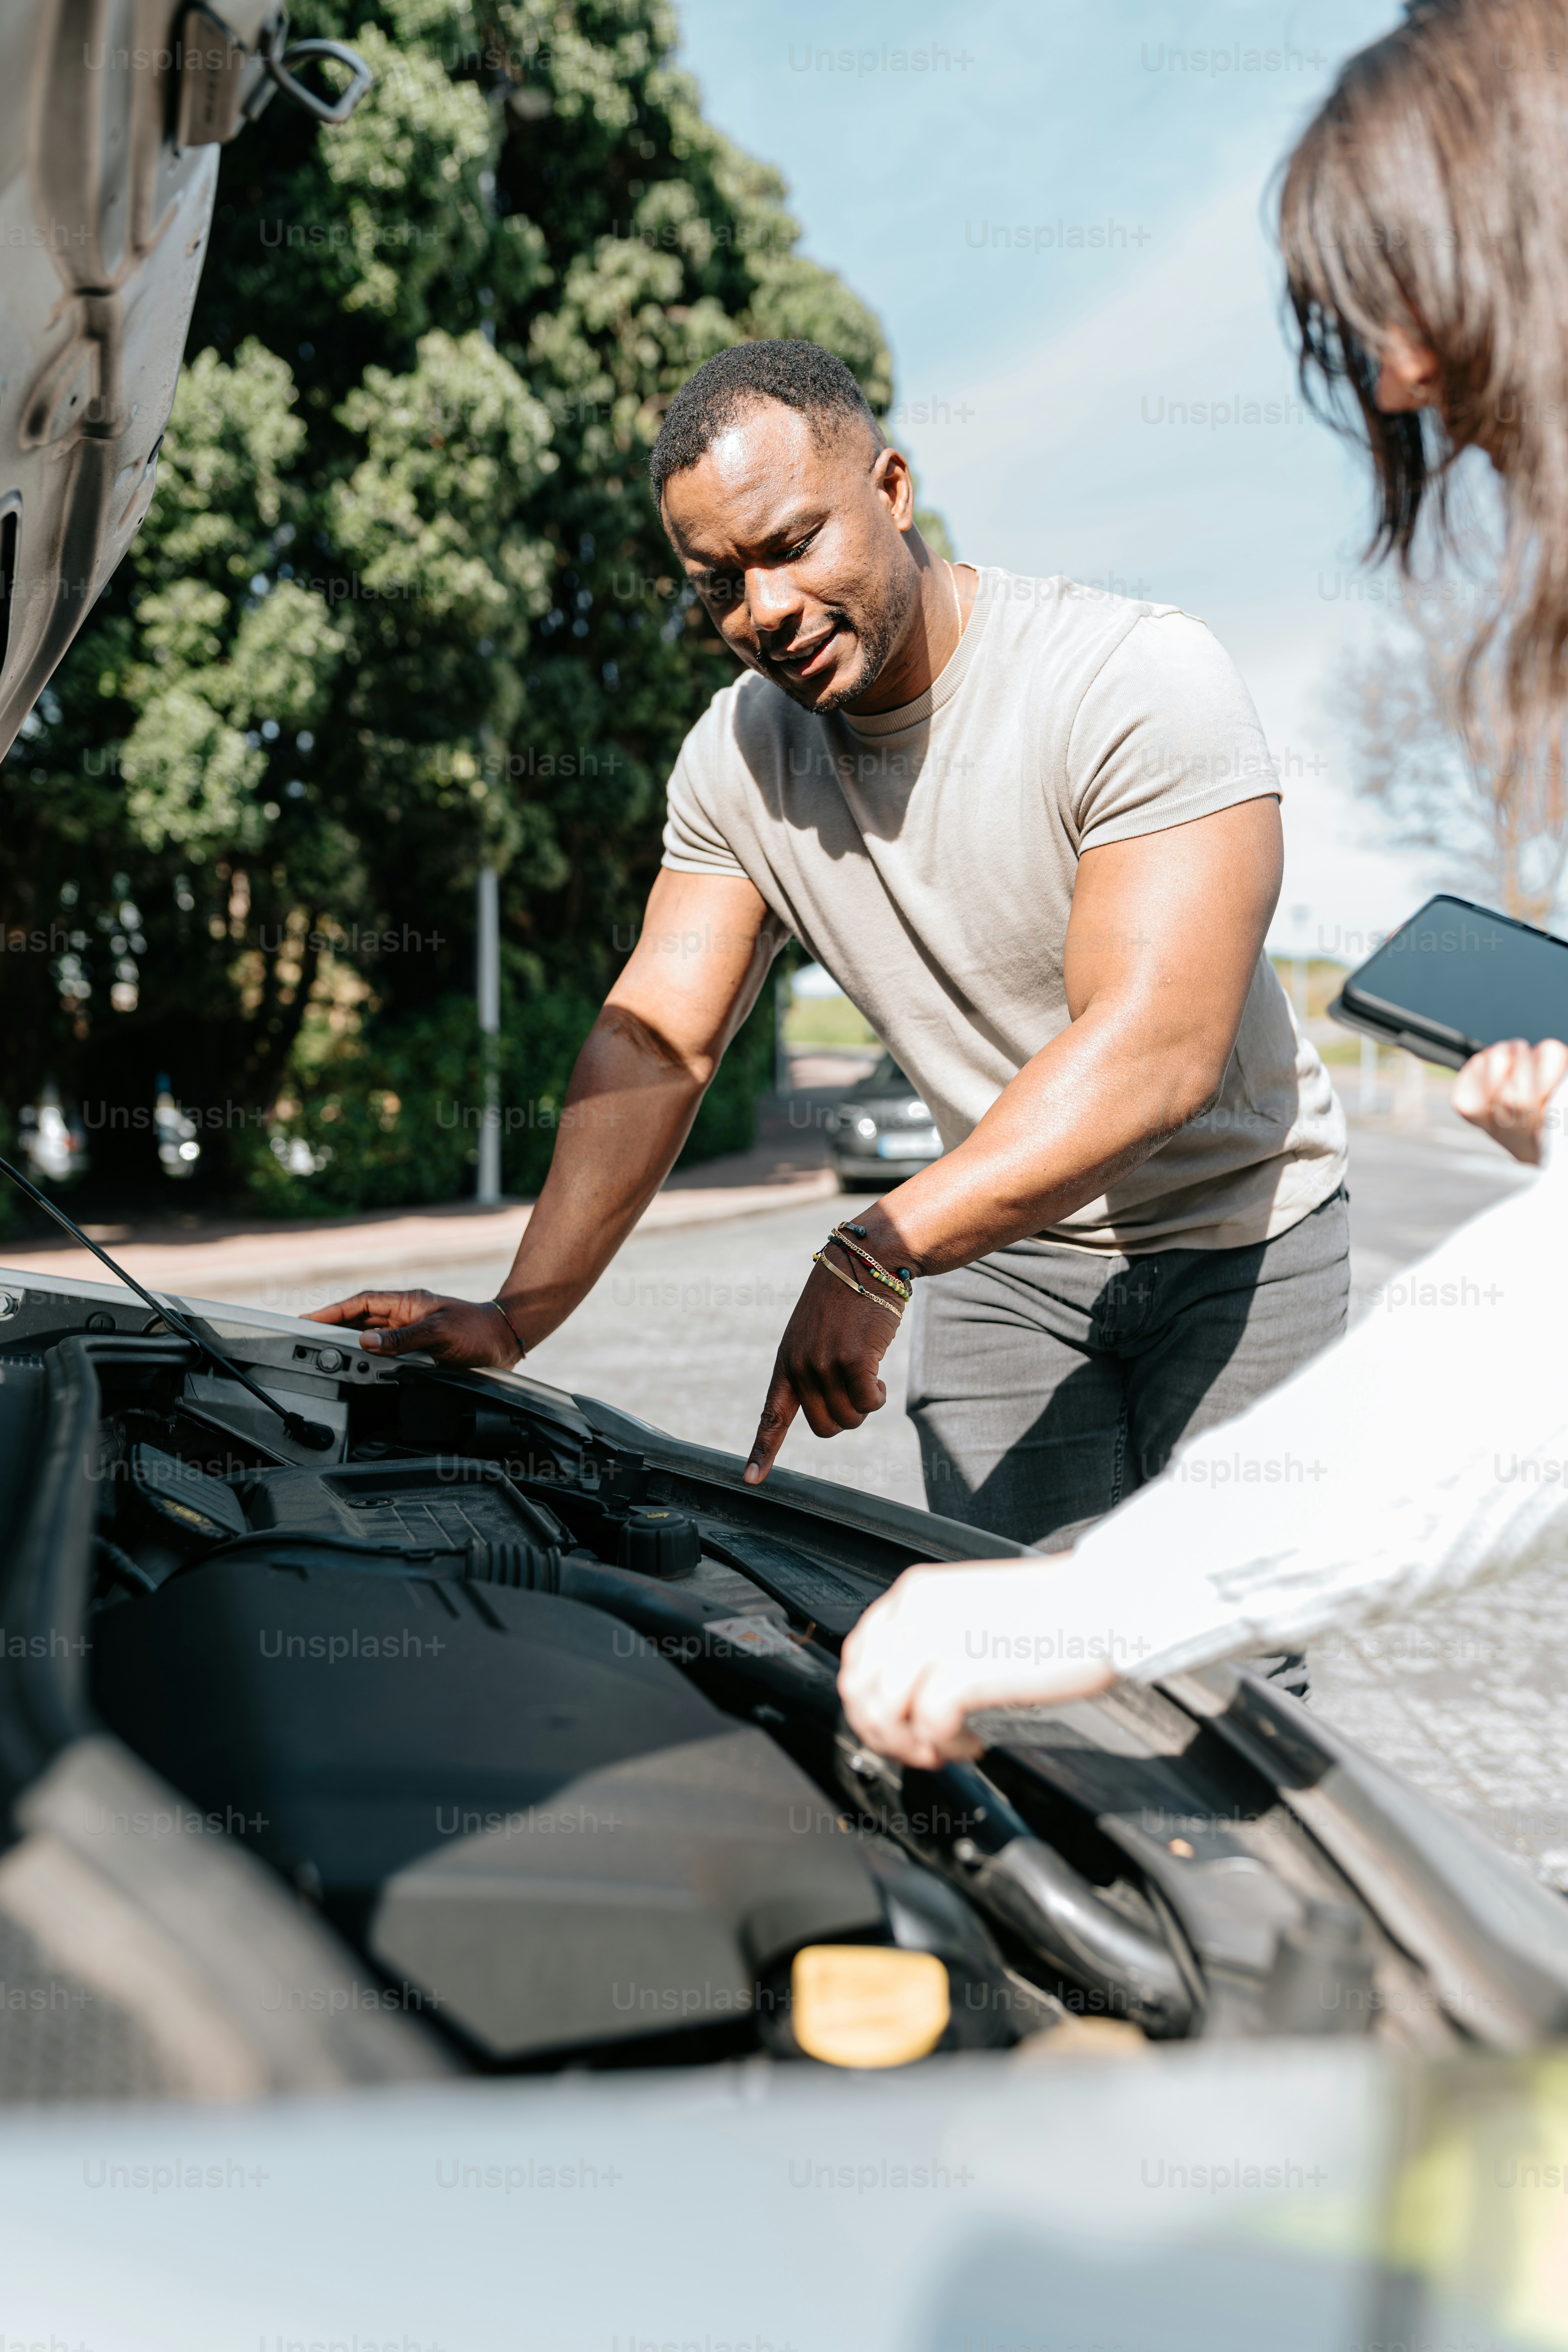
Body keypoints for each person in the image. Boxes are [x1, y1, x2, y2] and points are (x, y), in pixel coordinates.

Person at [838, 0, 1568, 1768]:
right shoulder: (751, 761)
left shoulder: (1138, 677)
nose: (1399, 384)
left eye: (1423, 298)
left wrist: (1091, 1605)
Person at [309, 336, 1348, 1561]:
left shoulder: (1132, 678)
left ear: (893, 491)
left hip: (1244, 1239)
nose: (765, 613)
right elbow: (658, 1041)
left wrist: (876, 1252)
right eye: (718, 585)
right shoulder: (739, 758)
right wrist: (515, 1314)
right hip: (1010, 1265)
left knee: (1224, 1670)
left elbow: (1156, 1053)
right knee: (1012, 1650)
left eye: (794, 544)